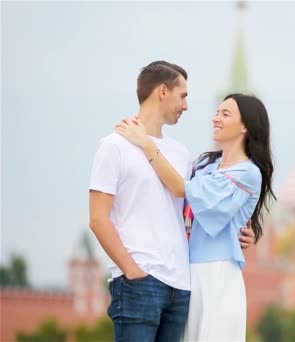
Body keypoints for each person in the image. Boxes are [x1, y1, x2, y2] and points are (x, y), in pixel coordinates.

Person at [89, 61, 255, 342]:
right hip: (139, 281)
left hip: (180, 287)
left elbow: (187, 211)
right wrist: (132, 271)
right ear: (162, 92)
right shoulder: (114, 146)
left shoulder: (180, 154)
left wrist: (238, 232)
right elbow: (98, 219)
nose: (187, 105)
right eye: (183, 95)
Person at [116, 92, 275, 341]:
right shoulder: (204, 165)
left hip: (218, 276)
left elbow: (181, 188)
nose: (216, 118)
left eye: (225, 114)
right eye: (217, 112)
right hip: (186, 274)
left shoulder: (248, 173)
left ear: (245, 126)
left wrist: (146, 143)